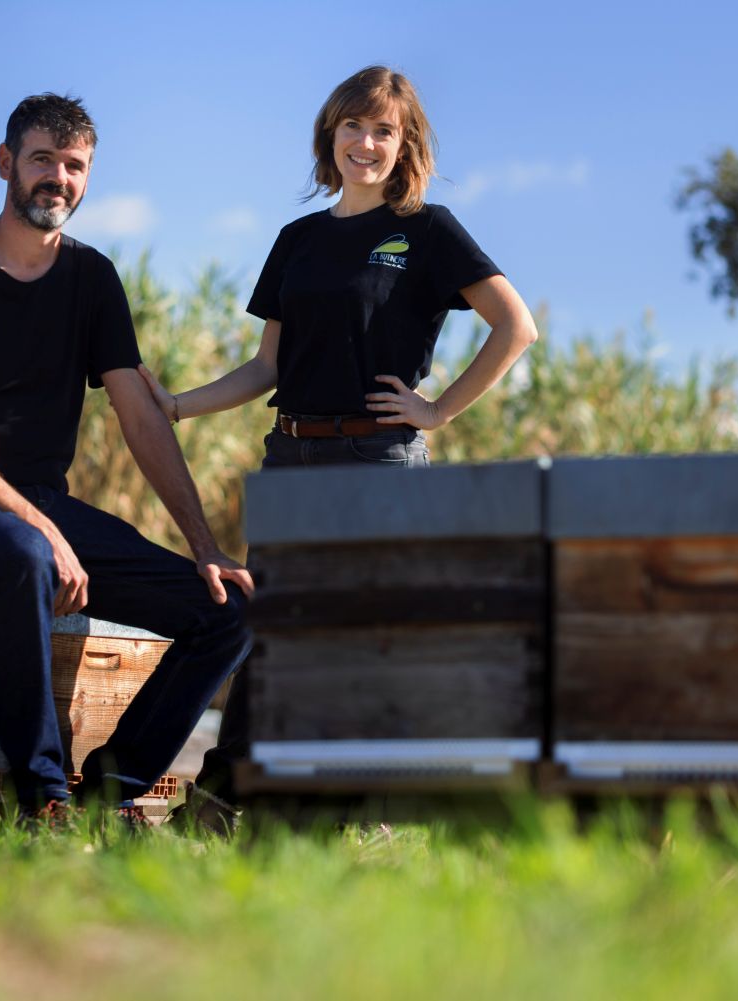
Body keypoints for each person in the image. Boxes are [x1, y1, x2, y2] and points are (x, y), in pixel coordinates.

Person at [139, 66, 538, 829]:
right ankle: (221, 804)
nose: (366, 142)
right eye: (353, 126)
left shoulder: (427, 229)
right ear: (331, 135)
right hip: (290, 459)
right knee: (272, 629)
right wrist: (179, 405)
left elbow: (515, 326)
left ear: (405, 143)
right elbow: (268, 367)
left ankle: (363, 808)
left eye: (383, 130)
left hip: (378, 463)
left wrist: (438, 410)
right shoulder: (300, 240)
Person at [0, 93, 253, 825]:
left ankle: (112, 793)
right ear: (6, 163)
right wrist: (46, 531)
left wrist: (206, 548)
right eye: (43, 159)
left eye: (75, 164)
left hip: (37, 511)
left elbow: (140, 417)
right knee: (26, 552)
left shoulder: (92, 280)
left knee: (228, 611)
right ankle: (42, 797)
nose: (59, 177)